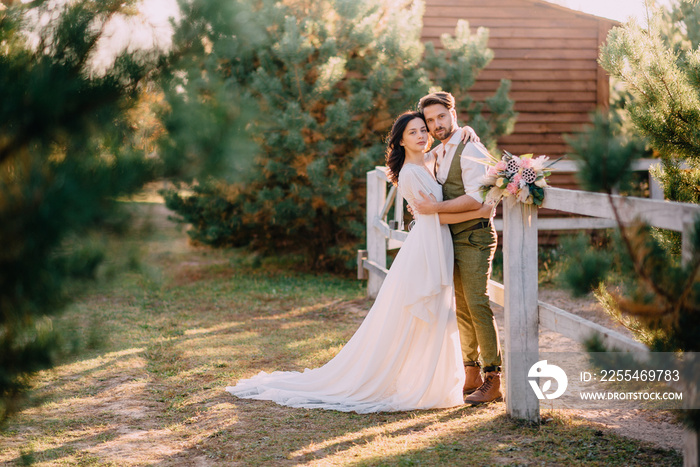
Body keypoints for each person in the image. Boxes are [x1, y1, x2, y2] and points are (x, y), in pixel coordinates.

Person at [226, 112, 493, 413]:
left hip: (436, 242)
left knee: (434, 314)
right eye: (412, 133)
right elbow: (431, 217)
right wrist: (478, 212)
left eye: (423, 130)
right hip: (426, 246)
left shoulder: (427, 160)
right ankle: (410, 379)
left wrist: (465, 130)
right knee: (421, 314)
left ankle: (431, 377)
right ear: (401, 141)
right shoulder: (409, 173)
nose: (421, 136)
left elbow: (447, 151)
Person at [413, 91, 503, 405]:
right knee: (462, 308)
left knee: (477, 304)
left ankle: (493, 378)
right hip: (452, 237)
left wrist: (434, 210)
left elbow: (476, 200)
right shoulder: (442, 151)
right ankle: (471, 372)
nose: (436, 124)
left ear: (453, 113)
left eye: (441, 116)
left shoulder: (470, 149)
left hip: (474, 236)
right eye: (430, 120)